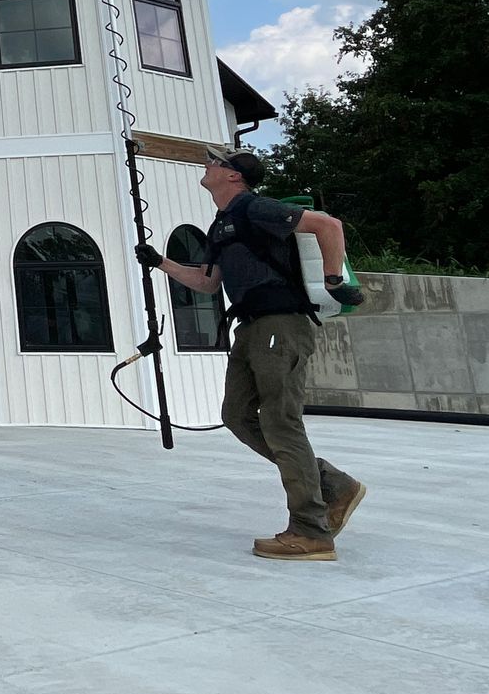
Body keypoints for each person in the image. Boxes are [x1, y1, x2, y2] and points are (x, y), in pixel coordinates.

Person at [135, 145, 368, 561]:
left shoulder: (256, 208)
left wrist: (333, 281)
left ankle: (311, 531)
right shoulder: (223, 223)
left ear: (233, 176)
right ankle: (331, 483)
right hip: (251, 328)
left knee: (280, 421)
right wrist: (160, 262)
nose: (207, 166)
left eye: (215, 162)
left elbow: (328, 226)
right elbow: (209, 283)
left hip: (281, 323)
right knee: (236, 415)